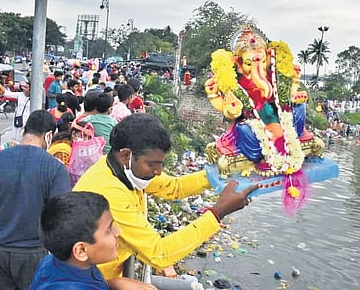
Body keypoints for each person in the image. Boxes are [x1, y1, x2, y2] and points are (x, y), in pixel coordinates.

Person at [73, 114, 258, 282]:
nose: (158, 171)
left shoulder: (122, 168)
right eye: (153, 164)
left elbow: (173, 187)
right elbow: (159, 254)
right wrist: (219, 211)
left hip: (106, 277)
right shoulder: (110, 191)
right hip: (89, 282)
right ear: (125, 155)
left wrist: (217, 174)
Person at [0, 110, 71, 290]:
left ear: (25, 130)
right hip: (33, 253)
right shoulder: (55, 169)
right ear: (49, 135)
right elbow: (60, 216)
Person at [30, 192, 156, 290]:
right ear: (81, 250)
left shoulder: (53, 263)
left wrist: (114, 283)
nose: (118, 232)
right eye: (109, 229)